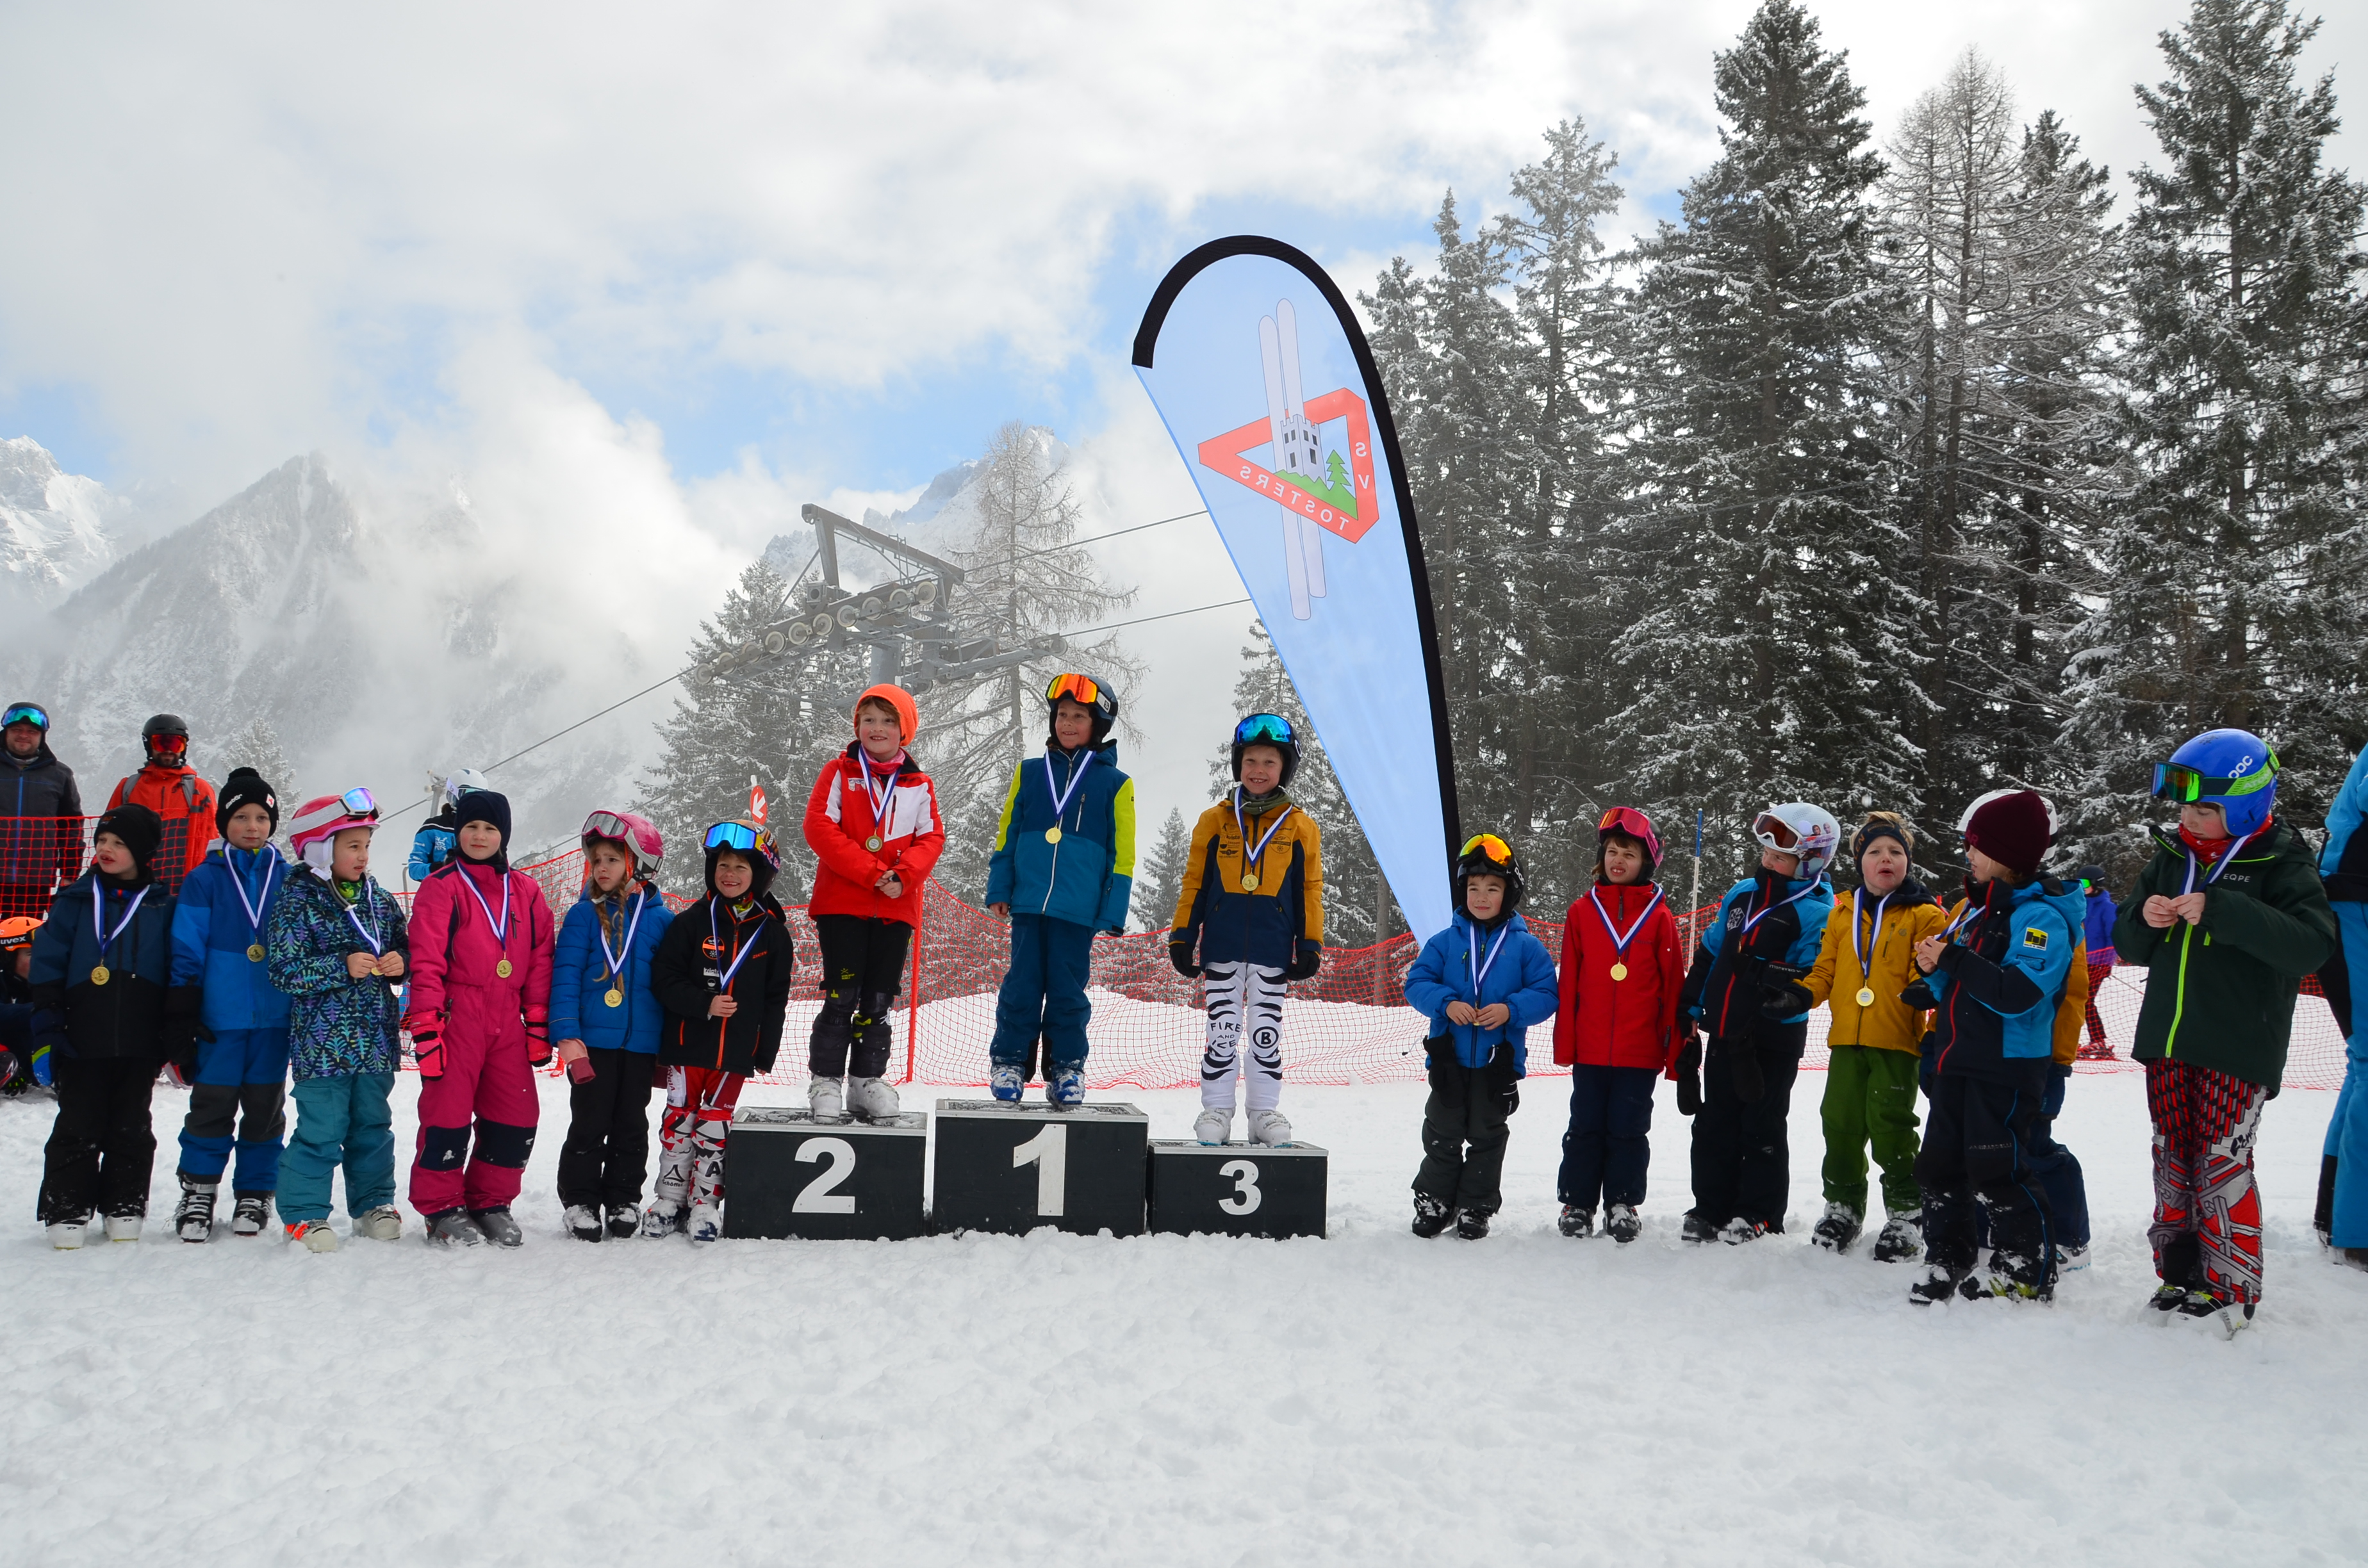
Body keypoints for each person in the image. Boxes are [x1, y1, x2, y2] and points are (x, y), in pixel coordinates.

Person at [2116, 730, 2336, 1334]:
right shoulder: (2172, 856)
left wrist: (2223, 909)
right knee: (2173, 1158)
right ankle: (2178, 1273)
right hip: (2168, 1043)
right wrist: (2144, 918)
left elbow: (2311, 946)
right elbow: (2130, 944)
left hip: (2238, 1045)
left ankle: (2230, 1286)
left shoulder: (2281, 860)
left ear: (2243, 805)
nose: (2189, 819)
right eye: (2185, 807)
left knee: (2219, 1162)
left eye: (2205, 809)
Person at [1904, 790, 2084, 1305]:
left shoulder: (2041, 918)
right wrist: (1934, 974)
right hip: (1958, 1059)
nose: (1968, 855)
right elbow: (1965, 985)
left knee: (1996, 1167)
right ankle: (1949, 1253)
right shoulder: (1981, 911)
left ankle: (2025, 1266)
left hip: (2005, 1066)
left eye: (1977, 846)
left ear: (2008, 853)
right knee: (1939, 1164)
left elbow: (2016, 993)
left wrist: (1954, 960)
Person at [1782, 812, 1946, 1261]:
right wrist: (1800, 995)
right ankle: (1843, 1207)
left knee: (1892, 1127)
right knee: (1840, 1123)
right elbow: (1825, 971)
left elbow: (1931, 969)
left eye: (1895, 851)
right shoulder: (1842, 913)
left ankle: (1907, 1214)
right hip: (1846, 1042)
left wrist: (1924, 987)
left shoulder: (1926, 914)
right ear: (1860, 862)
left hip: (1896, 1041)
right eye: (1875, 851)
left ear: (1908, 861)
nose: (1885, 858)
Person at [1675, 803, 1839, 1244]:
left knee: (1761, 1124)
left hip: (1772, 1037)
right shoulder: (1742, 894)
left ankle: (1759, 1212)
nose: (1768, 861)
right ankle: (1711, 1207)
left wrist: (1766, 977)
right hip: (1725, 1030)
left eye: (1780, 857)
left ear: (1810, 862)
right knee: (1714, 1122)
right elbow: (1711, 951)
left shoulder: (1817, 911)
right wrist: (1690, 1005)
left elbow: (1812, 973)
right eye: (1766, 852)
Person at [401, 788, 556, 1248]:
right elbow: (426, 961)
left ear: (503, 834)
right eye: (471, 827)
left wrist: (538, 1024)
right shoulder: (441, 886)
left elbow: (541, 959)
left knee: (516, 1114)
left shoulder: (526, 891)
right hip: (457, 1014)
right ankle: (441, 1208)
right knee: (446, 1115)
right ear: (458, 832)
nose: (480, 836)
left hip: (508, 1018)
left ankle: (490, 1202)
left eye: (490, 828)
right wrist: (426, 1025)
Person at [27, 804, 184, 1247]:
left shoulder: (161, 905)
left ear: (144, 851)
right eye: (101, 841)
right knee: (78, 1122)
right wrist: (48, 1022)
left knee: (132, 1125)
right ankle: (67, 1207)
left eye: (118, 843)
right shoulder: (75, 901)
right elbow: (48, 964)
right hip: (81, 1037)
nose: (106, 849)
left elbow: (176, 968)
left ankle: (125, 1204)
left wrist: (173, 1027)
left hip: (139, 1038)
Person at [1169, 713, 1326, 1148]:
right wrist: (1183, 935)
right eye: (1250, 760)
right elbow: (1195, 883)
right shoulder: (1214, 820)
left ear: (1285, 768)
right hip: (1222, 942)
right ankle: (1217, 1110)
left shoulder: (1301, 826)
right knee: (1222, 1029)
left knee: (1265, 1032)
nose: (1258, 770)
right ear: (1238, 764)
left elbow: (1309, 889)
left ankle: (1263, 1112)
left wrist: (1310, 943)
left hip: (1273, 946)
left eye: (1269, 762)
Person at [983, 673, 1136, 1107]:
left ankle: (1067, 1068)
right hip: (1029, 902)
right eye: (1062, 715)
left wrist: (1112, 909)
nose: (1067, 723)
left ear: (1098, 724)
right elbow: (1008, 834)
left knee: (1068, 992)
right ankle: (1009, 1062)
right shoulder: (1030, 773)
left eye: (1079, 717)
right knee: (1021, 986)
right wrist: (1001, 886)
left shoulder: (1115, 783)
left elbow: (1122, 854)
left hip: (1078, 909)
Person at [268, 790, 410, 1252]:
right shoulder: (297, 900)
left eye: (366, 845)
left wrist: (400, 963)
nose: (363, 855)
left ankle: (374, 1205)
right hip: (323, 1047)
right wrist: (339, 965)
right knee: (321, 1132)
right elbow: (284, 971)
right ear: (319, 849)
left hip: (375, 1042)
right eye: (352, 846)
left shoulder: (379, 899)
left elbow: (406, 947)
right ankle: (303, 1214)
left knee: (373, 1128)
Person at [800, 684, 944, 1123]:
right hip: (843, 904)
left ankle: (866, 1081)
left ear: (905, 730)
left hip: (896, 906)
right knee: (842, 995)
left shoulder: (919, 784)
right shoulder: (839, 772)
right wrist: (871, 872)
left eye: (887, 720)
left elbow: (932, 838)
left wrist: (903, 877)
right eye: (868, 720)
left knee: (878, 1000)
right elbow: (819, 826)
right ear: (857, 726)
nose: (877, 728)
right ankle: (826, 1080)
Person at [1404, 834, 1559, 1241]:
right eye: (1473, 888)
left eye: (1492, 888)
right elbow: (1416, 984)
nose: (1482, 897)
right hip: (1449, 1060)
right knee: (1442, 1131)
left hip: (1497, 1063)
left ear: (1509, 893)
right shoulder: (1444, 942)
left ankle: (1476, 1205)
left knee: (1488, 1136)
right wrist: (1445, 1003)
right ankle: (1435, 1200)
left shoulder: (1526, 947)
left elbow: (1547, 994)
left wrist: (1511, 1010)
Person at [648, 821, 794, 1243]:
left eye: (740, 868)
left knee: (714, 1127)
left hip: (734, 1053)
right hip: (686, 1046)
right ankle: (669, 1199)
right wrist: (703, 1003)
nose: (729, 874)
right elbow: (664, 979)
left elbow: (776, 998)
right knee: (679, 1122)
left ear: (760, 875)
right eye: (722, 865)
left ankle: (705, 1203)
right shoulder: (691, 923)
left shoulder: (773, 933)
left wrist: (764, 1051)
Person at [165, 769, 295, 1242]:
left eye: (261, 817)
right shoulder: (204, 879)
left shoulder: (290, 879)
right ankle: (199, 1191)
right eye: (241, 817)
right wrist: (184, 1006)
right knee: (211, 1107)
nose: (252, 826)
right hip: (220, 1020)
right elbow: (187, 947)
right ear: (224, 822)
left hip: (274, 1019)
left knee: (264, 1110)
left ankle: (255, 1192)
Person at [1549, 806, 1683, 1243]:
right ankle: (1578, 1203)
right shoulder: (1581, 912)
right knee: (1584, 1127)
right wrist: (1566, 1044)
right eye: (1611, 851)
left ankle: (1623, 1203)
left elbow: (1673, 987)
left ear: (1646, 862)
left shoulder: (1660, 917)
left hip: (1640, 1050)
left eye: (1628, 853)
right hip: (1590, 1048)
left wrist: (1675, 1050)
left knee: (1629, 1129)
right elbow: (1569, 982)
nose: (1618, 860)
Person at [550, 809, 673, 1242]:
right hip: (592, 1045)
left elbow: (670, 985)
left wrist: (670, 1043)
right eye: (597, 859)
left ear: (638, 863)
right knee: (589, 1121)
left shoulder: (662, 920)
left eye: (613, 859)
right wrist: (567, 1035)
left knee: (631, 1124)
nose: (601, 867)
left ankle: (623, 1198)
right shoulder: (582, 916)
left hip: (641, 1045)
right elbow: (565, 977)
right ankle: (581, 1200)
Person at [2317, 740, 2368, 1270]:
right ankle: (2358, 1227)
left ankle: (2339, 1212)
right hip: (2354, 902)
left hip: (2353, 897)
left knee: (2364, 1061)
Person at [105, 714, 217, 895]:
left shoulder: (198, 789)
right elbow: (107, 834)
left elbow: (211, 837)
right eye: (161, 744)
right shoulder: (129, 788)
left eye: (176, 744)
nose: (169, 750)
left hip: (184, 887)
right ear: (149, 745)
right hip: (135, 887)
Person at [1, 700, 83, 921]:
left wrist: (69, 874)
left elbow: (71, 827)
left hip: (34, 881)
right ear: (6, 731)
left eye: (31, 731)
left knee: (23, 940)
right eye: (17, 729)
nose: (23, 735)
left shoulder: (59, 775)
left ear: (42, 736)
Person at [408, 767, 488, 887]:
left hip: (476, 893)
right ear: (452, 795)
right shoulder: (433, 828)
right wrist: (442, 867)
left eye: (480, 798)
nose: (473, 803)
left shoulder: (487, 829)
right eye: (467, 795)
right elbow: (414, 869)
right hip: (441, 892)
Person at [2075, 866, 2119, 1059]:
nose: (2081, 886)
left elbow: (2113, 937)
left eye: (2084, 883)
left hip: (2097, 963)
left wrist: (2106, 963)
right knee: (2071, 999)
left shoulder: (2107, 908)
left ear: (2097, 884)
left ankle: (2099, 1041)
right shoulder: (2079, 904)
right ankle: (2070, 1037)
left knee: (2086, 1000)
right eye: (2079, 882)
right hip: (2078, 961)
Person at [0, 914, 40, 1095]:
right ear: (7, 958)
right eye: (31, 954)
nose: (41, 961)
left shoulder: (52, 983)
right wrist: (41, 1009)